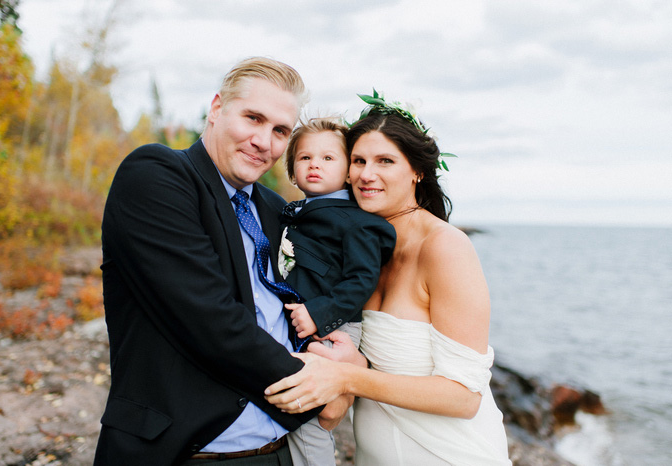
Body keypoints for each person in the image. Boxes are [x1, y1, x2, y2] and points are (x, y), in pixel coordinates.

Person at [95, 57, 323, 466]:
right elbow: (209, 319)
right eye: (253, 118)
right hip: (184, 452)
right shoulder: (156, 176)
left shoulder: (274, 209)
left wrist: (341, 352)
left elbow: (296, 303)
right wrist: (321, 389)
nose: (263, 141)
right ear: (217, 109)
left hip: (280, 452)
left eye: (280, 131)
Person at [265, 92, 512, 465]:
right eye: (359, 160)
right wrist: (354, 367)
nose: (367, 174)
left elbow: (463, 397)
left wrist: (346, 379)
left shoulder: (445, 247)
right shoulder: (358, 251)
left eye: (385, 161)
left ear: (417, 170)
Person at [278, 118, 396, 466]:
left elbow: (361, 280)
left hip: (334, 326)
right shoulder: (297, 213)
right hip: (303, 323)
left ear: (348, 173)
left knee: (310, 418)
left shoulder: (356, 222)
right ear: (293, 171)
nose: (314, 164)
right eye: (304, 158)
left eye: (328, 158)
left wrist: (319, 314)